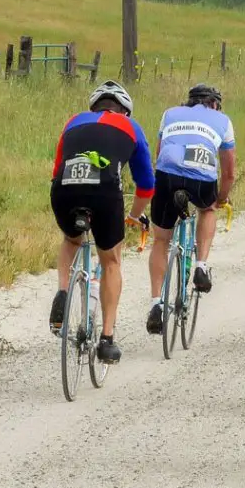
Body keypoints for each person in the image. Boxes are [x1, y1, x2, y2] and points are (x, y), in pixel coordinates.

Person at [49, 81, 154, 363]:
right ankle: (107, 339)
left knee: (72, 239)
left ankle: (62, 291)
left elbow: (56, 168)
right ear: (125, 112)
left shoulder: (73, 121)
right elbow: (146, 184)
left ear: (93, 108)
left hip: (64, 188)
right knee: (111, 261)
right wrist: (133, 215)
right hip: (105, 192)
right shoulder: (132, 128)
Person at [145, 84, 236, 334]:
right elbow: (229, 173)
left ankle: (156, 304)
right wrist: (221, 198)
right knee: (207, 210)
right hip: (201, 177)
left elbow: (159, 155)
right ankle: (201, 265)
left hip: (167, 175)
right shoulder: (223, 121)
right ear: (215, 104)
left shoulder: (169, 113)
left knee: (161, 241)